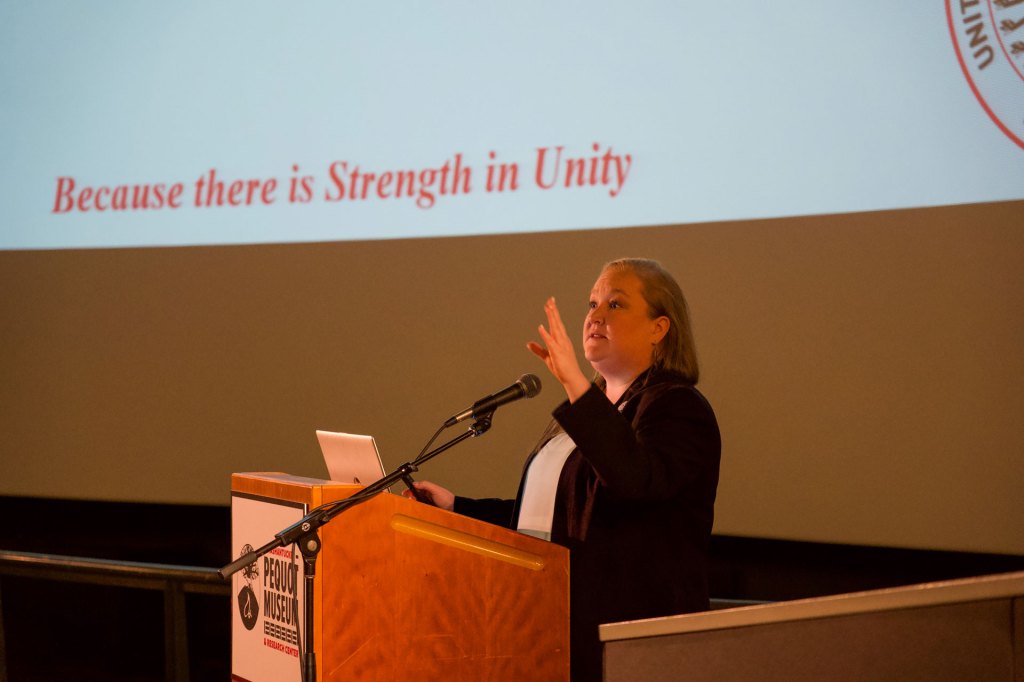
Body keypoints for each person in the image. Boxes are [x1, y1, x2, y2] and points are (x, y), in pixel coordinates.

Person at [406, 257, 721, 681]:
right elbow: (551, 519)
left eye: (615, 304)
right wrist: (457, 508)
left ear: (658, 328)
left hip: (626, 648)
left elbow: (636, 483)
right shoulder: (588, 412)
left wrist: (575, 385)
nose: (594, 315)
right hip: (543, 630)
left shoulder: (677, 407)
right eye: (592, 303)